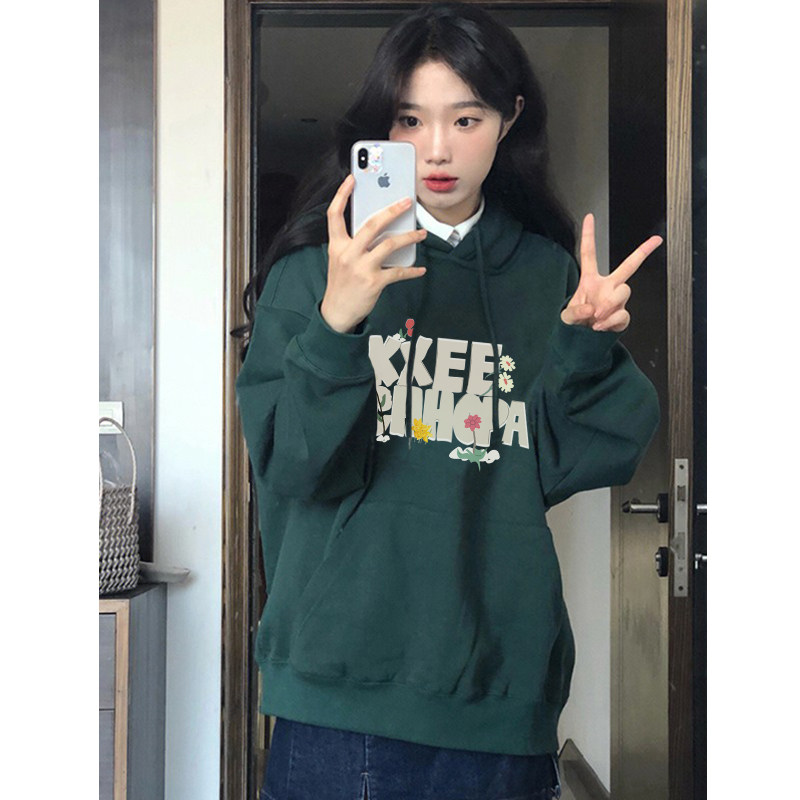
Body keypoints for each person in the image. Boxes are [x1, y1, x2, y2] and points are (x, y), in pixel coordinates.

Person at [235, 3, 662, 799]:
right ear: (381, 127)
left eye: (465, 118)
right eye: (410, 119)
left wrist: (582, 344)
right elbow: (293, 465)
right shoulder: (311, 276)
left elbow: (589, 454)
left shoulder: (546, 277)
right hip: (338, 695)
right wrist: (336, 323)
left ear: (509, 119)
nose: (436, 148)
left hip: (501, 699)